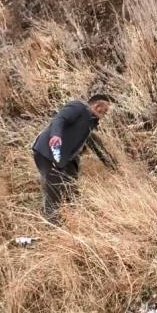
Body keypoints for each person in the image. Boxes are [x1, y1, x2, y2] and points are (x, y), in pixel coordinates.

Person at [32, 94, 118, 223]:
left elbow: (95, 145)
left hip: (65, 158)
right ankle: (52, 222)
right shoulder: (78, 107)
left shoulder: (91, 121)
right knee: (54, 186)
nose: (106, 113)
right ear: (97, 105)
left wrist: (112, 165)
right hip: (47, 152)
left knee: (70, 184)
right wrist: (56, 136)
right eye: (105, 109)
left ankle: (73, 213)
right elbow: (59, 119)